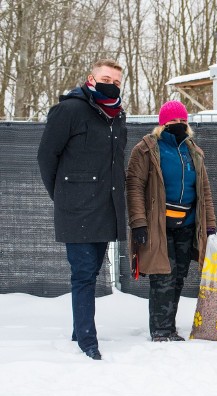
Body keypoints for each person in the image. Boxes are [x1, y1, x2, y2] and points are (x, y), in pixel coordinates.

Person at [37, 59, 127, 360]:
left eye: (116, 82)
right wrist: (63, 195)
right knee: (84, 274)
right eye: (105, 78)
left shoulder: (117, 117)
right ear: (91, 78)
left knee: (92, 272)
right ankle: (88, 340)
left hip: (104, 208)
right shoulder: (69, 110)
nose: (110, 84)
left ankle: (80, 328)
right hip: (76, 208)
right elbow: (46, 156)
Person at [126, 100, 217, 342]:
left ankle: (170, 327)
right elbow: (134, 187)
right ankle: (161, 331)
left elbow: (204, 189)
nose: (177, 125)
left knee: (178, 277)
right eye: (172, 121)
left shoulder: (193, 151)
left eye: (181, 121)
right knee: (163, 277)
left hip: (187, 225)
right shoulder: (146, 149)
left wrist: (210, 224)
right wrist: (138, 223)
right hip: (158, 225)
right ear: (162, 124)